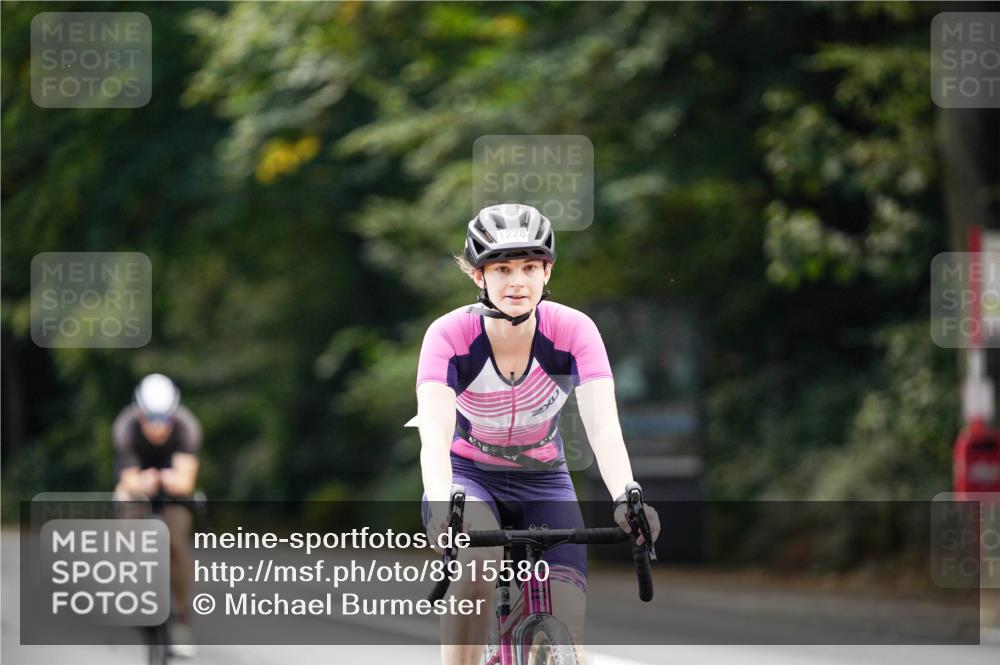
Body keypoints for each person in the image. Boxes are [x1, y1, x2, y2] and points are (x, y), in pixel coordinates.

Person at [416, 203, 661, 665]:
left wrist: (626, 496)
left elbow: (603, 426)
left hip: (544, 477)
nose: (517, 282)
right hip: (469, 476)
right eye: (502, 269)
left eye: (530, 267)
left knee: (570, 624)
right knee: (478, 564)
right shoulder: (448, 335)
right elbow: (434, 433)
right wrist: (443, 503)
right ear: (478, 275)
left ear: (547, 271)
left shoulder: (573, 330)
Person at [113, 373, 201, 658]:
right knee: (127, 514)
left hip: (171, 487)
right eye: (151, 418)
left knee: (177, 541)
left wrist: (171, 482)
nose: (158, 426)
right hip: (139, 483)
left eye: (165, 418)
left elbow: (185, 481)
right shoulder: (125, 426)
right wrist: (142, 483)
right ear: (139, 412)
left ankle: (182, 620)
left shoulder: (187, 427)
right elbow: (129, 479)